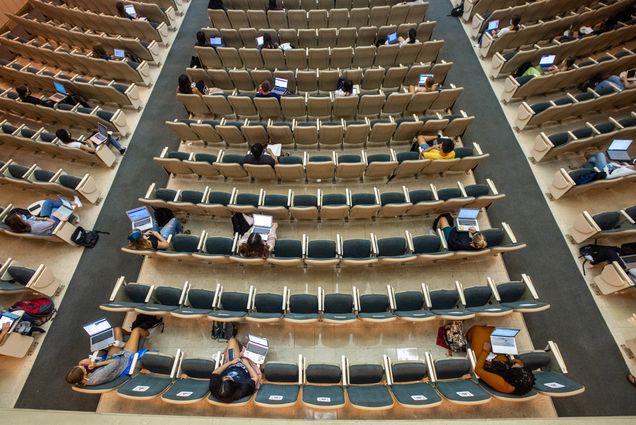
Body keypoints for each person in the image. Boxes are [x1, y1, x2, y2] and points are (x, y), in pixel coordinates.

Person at [65, 326, 149, 387]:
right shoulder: (98, 377)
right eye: (82, 368)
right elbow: (117, 361)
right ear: (84, 376)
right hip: (124, 359)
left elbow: (82, 371)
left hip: (111, 359)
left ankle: (130, 337)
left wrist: (81, 363)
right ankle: (145, 334)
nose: (83, 367)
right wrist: (96, 365)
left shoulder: (83, 379)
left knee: (117, 330)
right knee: (136, 330)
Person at [466, 325, 536, 395]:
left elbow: (478, 370)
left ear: (512, 374)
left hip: (485, 365)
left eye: (517, 367)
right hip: (500, 365)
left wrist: (485, 351)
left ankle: (468, 336)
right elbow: (523, 374)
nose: (518, 365)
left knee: (478, 330)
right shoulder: (522, 379)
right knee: (492, 331)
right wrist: (519, 364)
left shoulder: (501, 383)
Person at [209, 334, 261, 403]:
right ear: (235, 385)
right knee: (256, 347)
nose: (226, 377)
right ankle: (242, 348)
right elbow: (255, 378)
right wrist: (246, 363)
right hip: (246, 366)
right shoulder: (243, 389)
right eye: (229, 378)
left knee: (232, 340)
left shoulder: (214, 388)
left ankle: (240, 347)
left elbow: (215, 373)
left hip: (231, 362)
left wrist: (230, 363)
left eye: (224, 378)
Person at [4, 196, 82, 236]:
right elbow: (51, 222)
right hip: (55, 227)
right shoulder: (34, 227)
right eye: (21, 217)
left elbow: (34, 218)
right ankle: (73, 215)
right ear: (20, 223)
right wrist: (44, 218)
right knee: (54, 209)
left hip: (45, 222)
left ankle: (72, 204)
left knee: (47, 203)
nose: (22, 216)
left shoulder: (25, 223)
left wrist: (39, 218)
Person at [56, 128, 126, 155]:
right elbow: (93, 150)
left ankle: (113, 140)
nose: (68, 131)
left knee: (95, 133)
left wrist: (87, 142)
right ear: (67, 135)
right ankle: (121, 149)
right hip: (89, 150)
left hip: (84, 147)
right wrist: (90, 143)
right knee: (107, 136)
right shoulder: (76, 144)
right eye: (67, 132)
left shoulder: (61, 142)